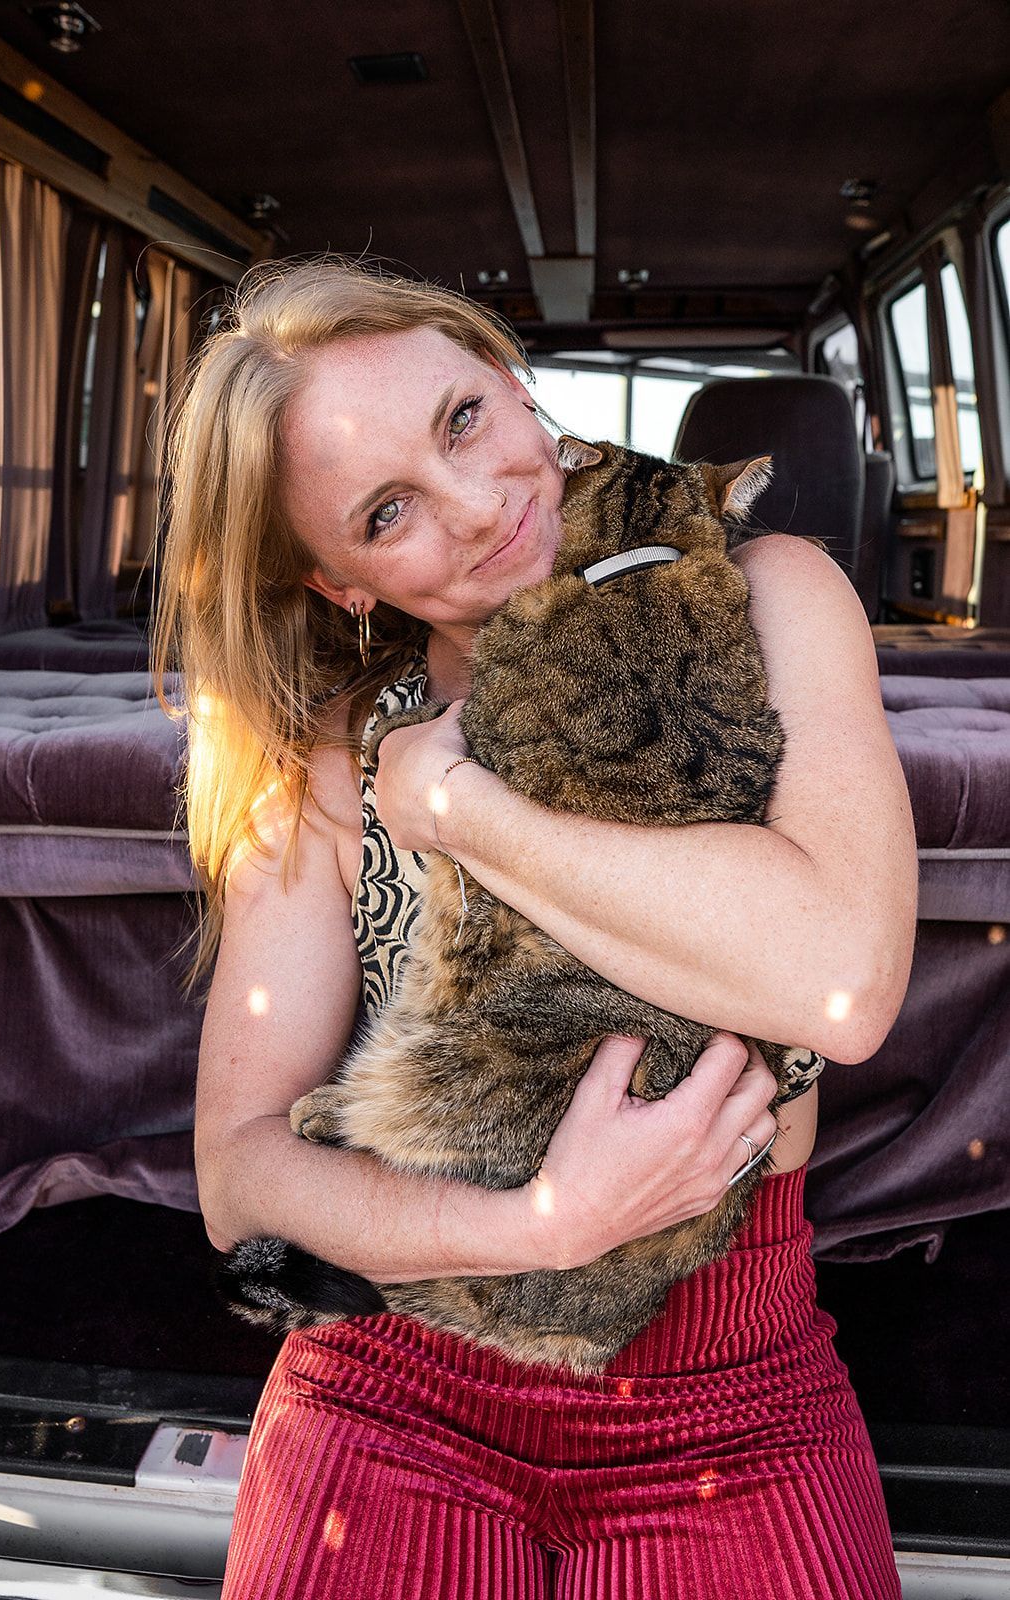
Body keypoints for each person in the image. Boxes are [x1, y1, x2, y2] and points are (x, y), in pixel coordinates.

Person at [152, 257, 917, 1599]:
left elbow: (843, 986)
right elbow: (241, 1177)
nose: (480, 505)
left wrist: (459, 809)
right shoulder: (326, 761)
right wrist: (538, 1227)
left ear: (514, 384)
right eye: (387, 511)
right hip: (394, 1381)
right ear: (338, 581)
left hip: (730, 1395)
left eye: (461, 419)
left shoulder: (771, 595)